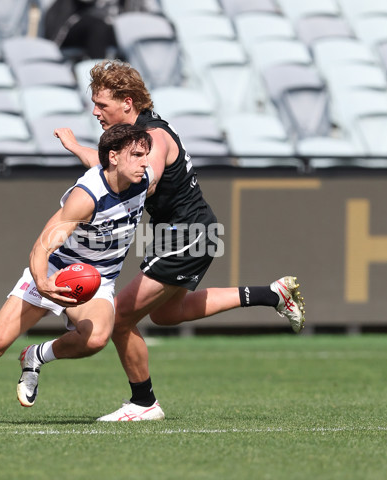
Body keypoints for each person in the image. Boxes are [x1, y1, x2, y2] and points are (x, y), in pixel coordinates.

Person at [54, 60, 306, 421]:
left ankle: (144, 402)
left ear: (127, 102)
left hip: (187, 235)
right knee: (166, 313)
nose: (95, 111)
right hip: (181, 233)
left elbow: (146, 176)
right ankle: (271, 294)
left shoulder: (151, 137)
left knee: (120, 316)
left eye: (101, 104)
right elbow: (115, 170)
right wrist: (78, 148)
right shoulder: (137, 136)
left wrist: (134, 179)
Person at [0, 123, 153, 424]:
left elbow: (98, 159)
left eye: (147, 155)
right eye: (138, 155)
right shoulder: (86, 197)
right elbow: (41, 248)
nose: (146, 162)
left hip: (97, 279)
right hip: (54, 271)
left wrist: (76, 146)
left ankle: (36, 356)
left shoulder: (143, 177)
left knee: (96, 339)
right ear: (115, 158)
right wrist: (43, 283)